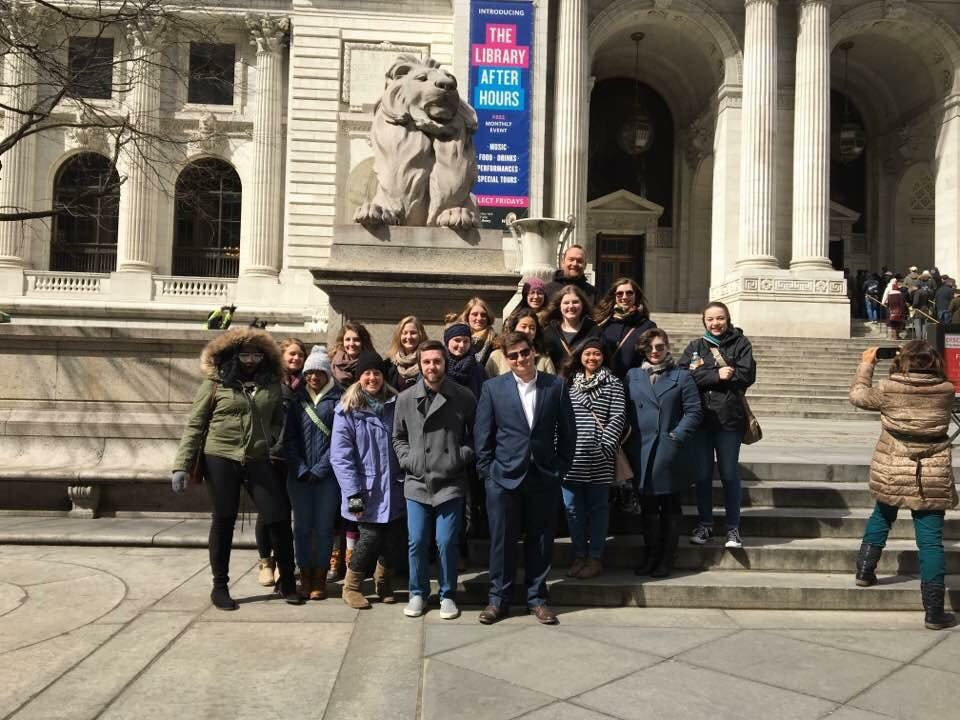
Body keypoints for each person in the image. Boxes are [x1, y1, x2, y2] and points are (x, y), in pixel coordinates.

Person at [172, 328, 303, 610]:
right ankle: (220, 586)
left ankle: (288, 581)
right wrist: (180, 465)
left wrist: (271, 440)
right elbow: (195, 424)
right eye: (245, 354)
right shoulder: (216, 383)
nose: (251, 360)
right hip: (220, 455)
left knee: (278, 517)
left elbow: (279, 420)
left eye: (257, 354)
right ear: (233, 356)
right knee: (223, 520)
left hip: (257, 457)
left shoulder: (270, 383)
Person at [849, 341, 957, 630]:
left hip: (893, 464)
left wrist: (867, 364)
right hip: (931, 471)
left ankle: (865, 571)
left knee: (882, 515)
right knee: (931, 540)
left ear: (902, 361)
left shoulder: (888, 387)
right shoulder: (946, 390)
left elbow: (858, 396)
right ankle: (934, 611)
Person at [474, 331, 576, 625]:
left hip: (543, 475)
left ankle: (537, 599)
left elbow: (568, 432)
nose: (520, 359)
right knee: (501, 542)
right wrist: (489, 473)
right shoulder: (494, 388)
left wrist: (560, 467)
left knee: (541, 540)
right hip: (503, 477)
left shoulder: (555, 386)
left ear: (534, 352)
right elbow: (483, 436)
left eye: (524, 352)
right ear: (506, 359)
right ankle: (498, 600)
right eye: (513, 355)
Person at [393, 339, 477, 620]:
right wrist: (409, 460)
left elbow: (475, 436)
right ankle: (417, 592)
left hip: (450, 481)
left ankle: (448, 594)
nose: (432, 366)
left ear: (445, 364)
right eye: (426, 362)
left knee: (446, 541)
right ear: (420, 364)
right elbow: (398, 437)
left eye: (437, 361)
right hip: (417, 482)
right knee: (416, 540)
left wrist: (457, 457)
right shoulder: (405, 398)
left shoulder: (463, 397)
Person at [679, 301, 756, 550]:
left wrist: (706, 374)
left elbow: (746, 375)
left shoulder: (741, 344)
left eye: (720, 318)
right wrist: (717, 375)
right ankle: (705, 524)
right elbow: (683, 375)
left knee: (729, 474)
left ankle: (733, 528)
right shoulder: (695, 345)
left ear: (728, 319)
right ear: (704, 321)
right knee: (702, 475)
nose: (715, 323)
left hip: (728, 420)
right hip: (701, 421)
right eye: (711, 319)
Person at [330, 351, 404, 609]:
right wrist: (353, 495)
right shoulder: (347, 409)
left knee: (393, 538)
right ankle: (351, 587)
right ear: (359, 377)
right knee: (369, 538)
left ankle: (383, 582)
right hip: (364, 490)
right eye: (366, 373)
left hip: (394, 486)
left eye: (376, 373)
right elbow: (341, 458)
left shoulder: (396, 404)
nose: (372, 378)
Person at [626, 329, 702, 578]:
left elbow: (693, 412)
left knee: (669, 506)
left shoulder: (681, 376)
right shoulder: (633, 375)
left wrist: (676, 436)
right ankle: (650, 556)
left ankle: (666, 558)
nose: (655, 352)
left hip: (668, 450)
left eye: (659, 346)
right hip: (641, 450)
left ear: (668, 347)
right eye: (649, 348)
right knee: (647, 508)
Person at [561, 337, 626, 578]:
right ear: (579, 356)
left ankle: (595, 557)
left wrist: (605, 445)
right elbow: (561, 417)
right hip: (571, 457)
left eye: (596, 354)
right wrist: (560, 446)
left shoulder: (613, 383)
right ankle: (579, 555)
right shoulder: (569, 383)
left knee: (598, 509)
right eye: (587, 354)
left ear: (603, 357)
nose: (592, 358)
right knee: (572, 509)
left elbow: (618, 417)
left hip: (599, 456)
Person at [283, 345, 342, 600]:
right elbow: (289, 438)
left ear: (327, 374)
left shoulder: (339, 399)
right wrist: (300, 467)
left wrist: (320, 468)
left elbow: (341, 440)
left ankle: (320, 575)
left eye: (319, 372)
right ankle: (304, 572)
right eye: (309, 373)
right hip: (299, 475)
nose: (314, 377)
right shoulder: (297, 400)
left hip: (328, 476)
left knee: (324, 526)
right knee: (303, 526)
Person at [256, 338, 306, 587]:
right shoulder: (268, 381)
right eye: (292, 354)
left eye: (300, 355)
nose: (296, 359)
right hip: (270, 455)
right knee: (267, 512)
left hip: (294, 457)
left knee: (285, 513)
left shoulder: (305, 385)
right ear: (281, 355)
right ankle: (266, 562)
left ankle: (282, 560)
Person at [594, 277, 657, 378]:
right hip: (605, 384)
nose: (624, 297)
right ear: (614, 296)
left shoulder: (647, 326)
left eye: (629, 293)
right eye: (619, 293)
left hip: (632, 383)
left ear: (636, 296)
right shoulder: (602, 323)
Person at [541, 285, 601, 373]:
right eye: (566, 303)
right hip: (556, 384)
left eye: (575, 302)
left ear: (582, 305)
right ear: (559, 306)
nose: (571, 306)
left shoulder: (594, 330)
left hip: (586, 384)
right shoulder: (549, 332)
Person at [485, 308, 556, 377]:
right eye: (523, 327)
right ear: (513, 328)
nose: (527, 331)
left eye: (532, 328)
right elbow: (486, 385)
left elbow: (553, 386)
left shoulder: (543, 359)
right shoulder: (497, 356)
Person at [446, 297, 498, 367]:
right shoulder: (455, 336)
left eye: (483, 315)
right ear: (467, 316)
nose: (479, 318)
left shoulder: (496, 342)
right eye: (475, 314)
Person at [384, 315, 428, 392]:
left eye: (413, 333)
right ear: (399, 336)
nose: (409, 337)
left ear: (421, 335)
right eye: (404, 333)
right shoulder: (389, 364)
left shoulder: (428, 360)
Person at [443, 323, 487, 399]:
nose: (462, 345)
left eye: (466, 341)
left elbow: (485, 397)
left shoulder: (478, 368)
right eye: (457, 340)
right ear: (447, 342)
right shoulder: (437, 364)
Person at [330, 322, 376, 388]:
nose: (351, 344)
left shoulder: (373, 363)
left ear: (363, 342)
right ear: (342, 342)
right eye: (347, 339)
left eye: (356, 340)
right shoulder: (332, 362)